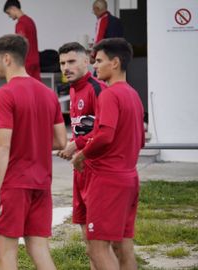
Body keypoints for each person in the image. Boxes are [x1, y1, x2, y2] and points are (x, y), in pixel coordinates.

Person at [0, 34, 67, 270]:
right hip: (41, 183)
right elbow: (61, 141)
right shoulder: (48, 93)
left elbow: (2, 146)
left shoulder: (5, 94)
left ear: (6, 58)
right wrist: (33, 141)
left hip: (13, 184)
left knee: (6, 253)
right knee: (39, 248)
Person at [71, 38, 145, 270]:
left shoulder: (109, 95)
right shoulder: (133, 95)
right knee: (123, 247)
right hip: (129, 177)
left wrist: (82, 155)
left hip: (108, 180)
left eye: (99, 61)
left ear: (115, 63)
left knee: (97, 248)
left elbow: (104, 135)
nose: (95, 66)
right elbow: (140, 140)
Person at [56, 42, 107, 269]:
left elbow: (104, 130)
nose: (66, 67)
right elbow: (83, 128)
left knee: (100, 243)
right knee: (88, 240)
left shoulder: (98, 89)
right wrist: (71, 143)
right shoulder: (73, 88)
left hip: (99, 172)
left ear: (87, 61)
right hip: (80, 170)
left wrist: (75, 144)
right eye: (62, 63)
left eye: (71, 61)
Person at [3, 0, 41, 81]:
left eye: (9, 13)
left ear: (13, 8)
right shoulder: (30, 21)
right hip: (35, 60)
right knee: (36, 87)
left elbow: (18, 44)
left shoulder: (21, 24)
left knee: (24, 88)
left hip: (26, 62)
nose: (9, 16)